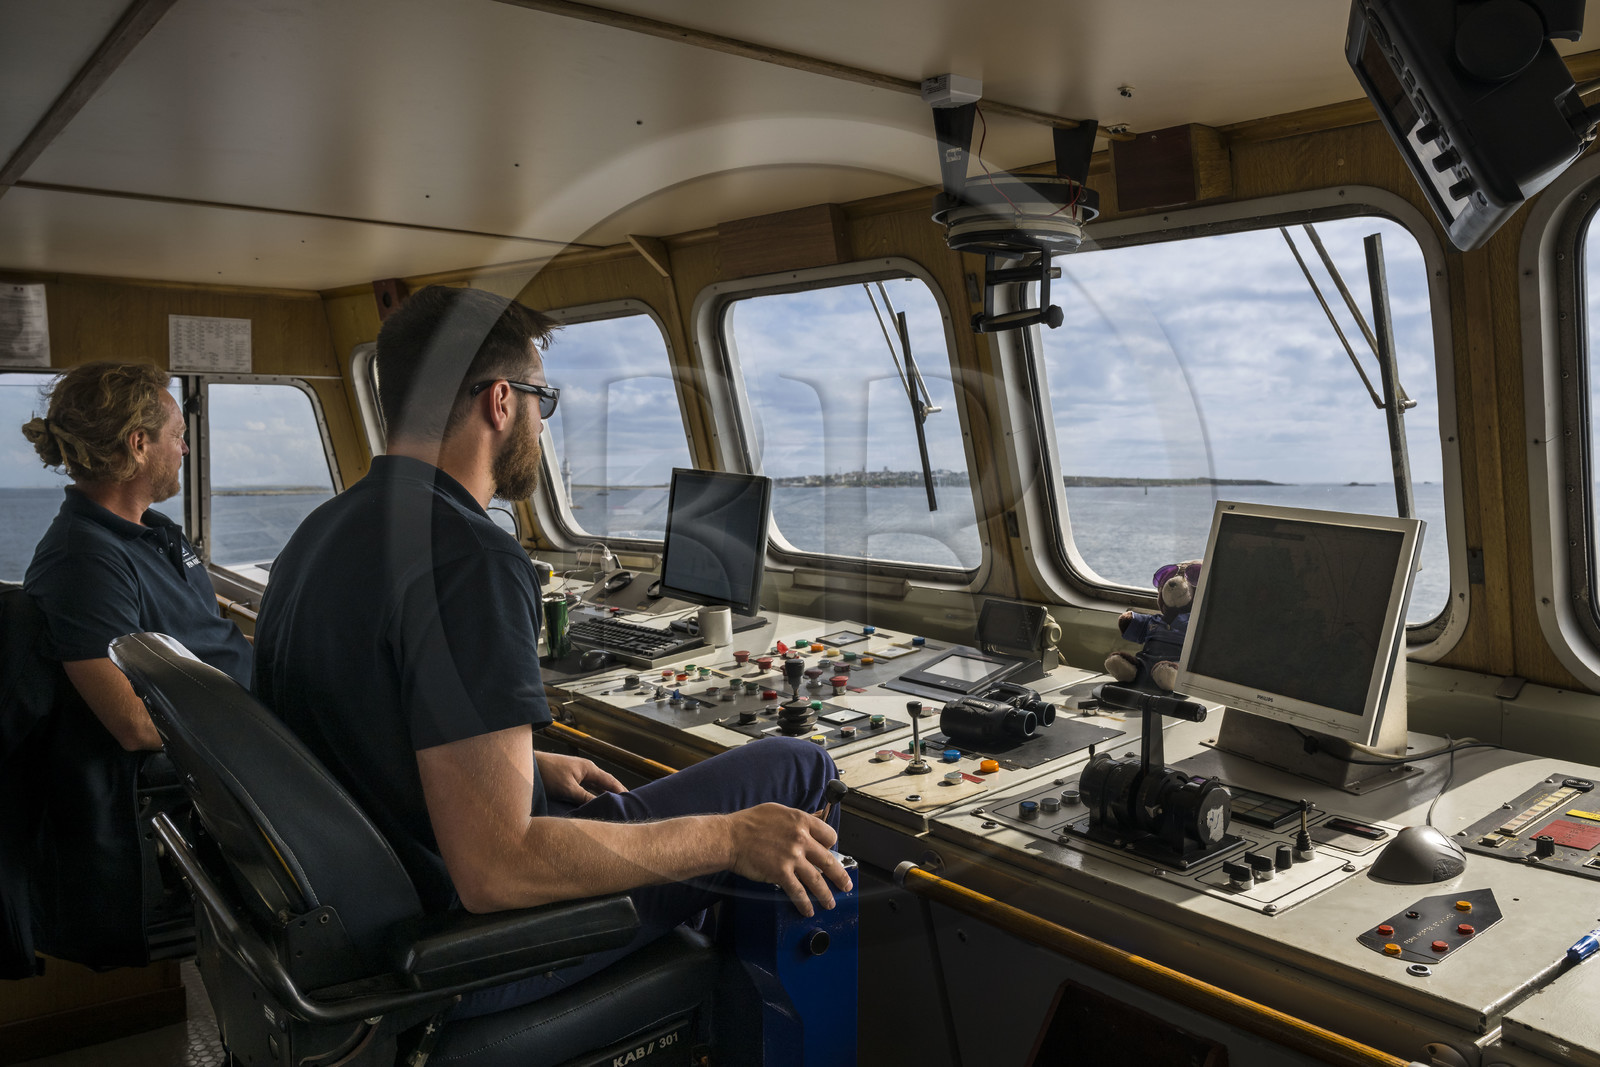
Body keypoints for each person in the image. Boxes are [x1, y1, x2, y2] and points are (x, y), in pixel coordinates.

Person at [252, 284, 851, 1015]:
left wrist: (519, 763)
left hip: (356, 922)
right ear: (500, 401)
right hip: (457, 950)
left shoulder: (321, 532)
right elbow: (496, 870)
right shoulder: (469, 556)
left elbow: (350, 725)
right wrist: (728, 837)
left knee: (647, 799)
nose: (543, 423)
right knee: (795, 766)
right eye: (543, 399)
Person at [22, 362, 253, 751]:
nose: (185, 448)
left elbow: (200, 636)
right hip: (234, 751)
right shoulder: (81, 561)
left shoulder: (151, 529)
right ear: (139, 443)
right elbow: (136, 725)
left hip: (253, 706)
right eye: (177, 435)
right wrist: (264, 732)